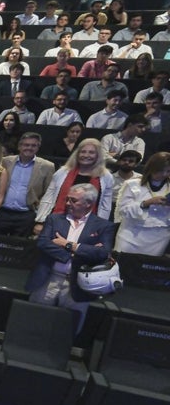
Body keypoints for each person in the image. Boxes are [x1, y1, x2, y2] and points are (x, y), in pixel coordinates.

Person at [27, 184, 115, 333]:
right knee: (34, 322)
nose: (68, 203)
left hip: (78, 283)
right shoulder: (54, 219)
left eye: (74, 200)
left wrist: (67, 244)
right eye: (67, 199)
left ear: (88, 203)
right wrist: (73, 255)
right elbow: (43, 243)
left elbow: (102, 253)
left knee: (66, 329)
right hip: (49, 278)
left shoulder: (103, 226)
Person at [37, 139, 114, 224]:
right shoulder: (63, 172)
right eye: (83, 152)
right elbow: (48, 198)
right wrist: (40, 221)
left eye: (91, 152)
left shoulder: (106, 176)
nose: (86, 155)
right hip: (58, 220)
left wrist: (100, 226)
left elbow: (105, 206)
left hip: (87, 224)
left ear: (98, 156)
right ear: (77, 154)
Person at [115, 153, 170, 255]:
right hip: (131, 234)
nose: (164, 174)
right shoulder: (132, 184)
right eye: (160, 170)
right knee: (121, 264)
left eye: (168, 171)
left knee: (147, 268)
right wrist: (146, 203)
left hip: (159, 236)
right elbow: (123, 210)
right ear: (151, 168)